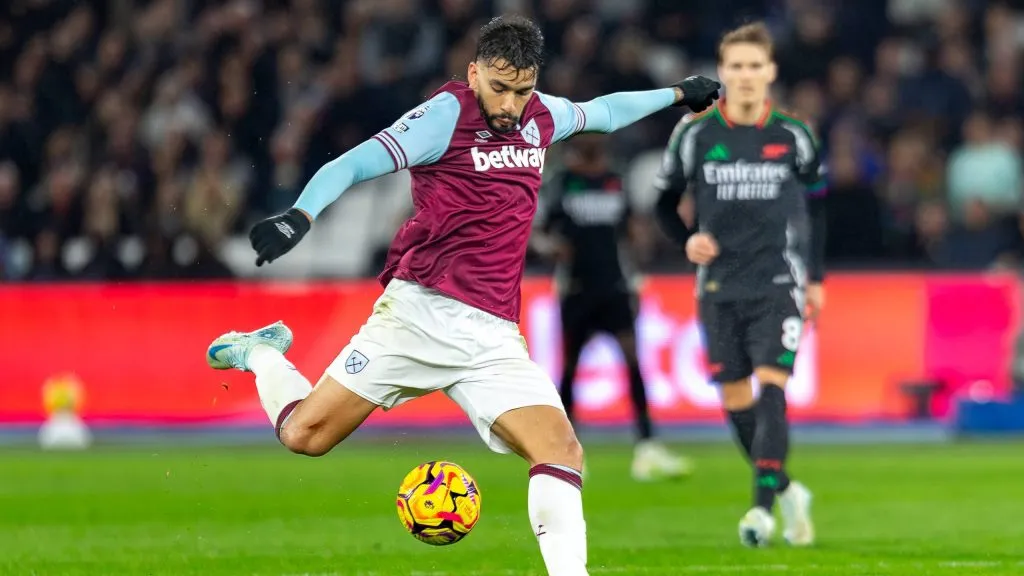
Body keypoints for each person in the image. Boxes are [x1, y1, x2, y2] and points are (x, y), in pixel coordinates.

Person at [206, 15, 720, 576]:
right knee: (304, 435)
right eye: (498, 88)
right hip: (417, 315)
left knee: (562, 451)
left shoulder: (540, 116)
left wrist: (675, 95)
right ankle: (261, 353)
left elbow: (604, 112)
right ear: (474, 73)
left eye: (521, 91)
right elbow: (353, 163)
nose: (509, 104)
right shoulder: (443, 115)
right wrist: (300, 214)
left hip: (493, 337)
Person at [653, 21, 824, 548]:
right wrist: (686, 239)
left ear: (770, 72)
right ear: (722, 73)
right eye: (736, 66)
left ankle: (759, 510)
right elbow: (663, 202)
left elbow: (818, 207)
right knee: (734, 398)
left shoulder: (793, 135)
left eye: (755, 66)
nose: (746, 76)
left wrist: (815, 278)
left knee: (772, 386)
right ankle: (790, 491)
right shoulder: (694, 134)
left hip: (778, 280)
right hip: (718, 286)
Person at [534, 132, 692, 481]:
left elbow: (631, 231)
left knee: (634, 363)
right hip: (575, 288)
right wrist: (551, 248)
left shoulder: (614, 181)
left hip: (614, 286)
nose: (594, 143)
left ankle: (647, 448)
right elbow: (539, 232)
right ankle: (567, 450)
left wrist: (637, 275)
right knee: (570, 370)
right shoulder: (562, 183)